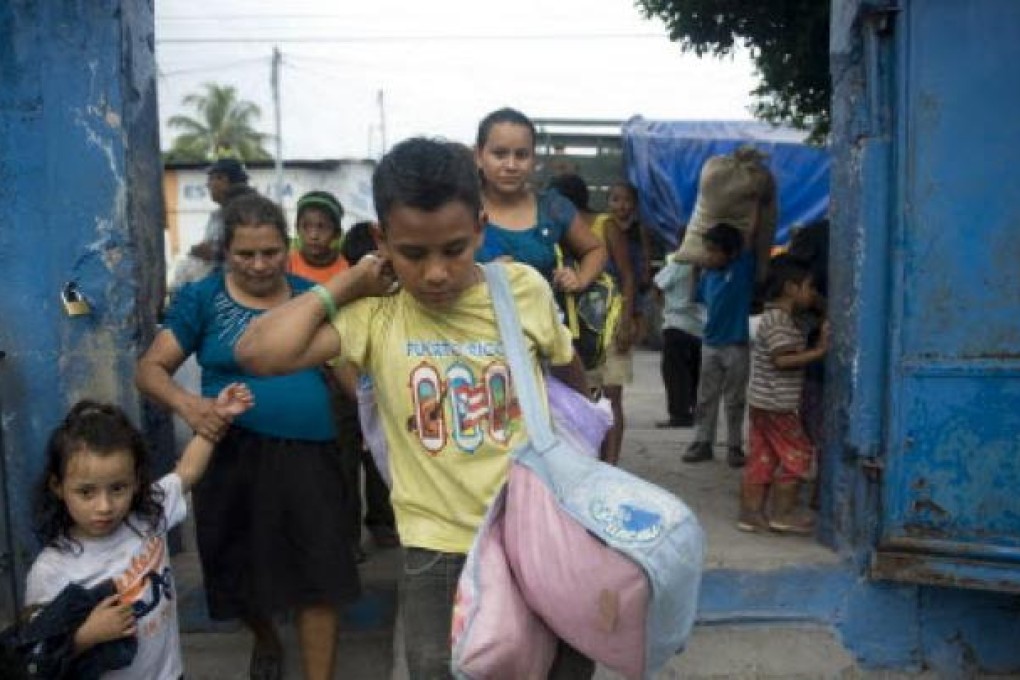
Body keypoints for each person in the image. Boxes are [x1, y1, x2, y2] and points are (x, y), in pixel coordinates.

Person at [234, 137, 595, 679]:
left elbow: (569, 370)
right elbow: (258, 352)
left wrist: (594, 448)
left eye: (453, 249)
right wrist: (350, 282)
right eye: (412, 253)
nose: (434, 274)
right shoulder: (376, 314)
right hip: (436, 548)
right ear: (382, 240)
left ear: (479, 226)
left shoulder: (522, 290)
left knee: (561, 668)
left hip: (535, 530)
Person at [136, 193, 361, 680]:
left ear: (288, 247)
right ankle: (266, 638)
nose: (259, 265)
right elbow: (151, 369)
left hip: (311, 455)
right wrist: (191, 406)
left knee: (319, 575)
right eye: (245, 254)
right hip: (232, 457)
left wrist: (376, 415)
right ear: (225, 253)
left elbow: (349, 372)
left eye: (271, 252)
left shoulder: (309, 298)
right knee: (238, 572)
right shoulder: (203, 299)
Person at [25, 383, 253, 679]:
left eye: (118, 488)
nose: (105, 506)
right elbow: (36, 655)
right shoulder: (51, 569)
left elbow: (187, 471)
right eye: (86, 492)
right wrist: (85, 636)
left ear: (136, 481)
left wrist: (220, 416)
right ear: (58, 487)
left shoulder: (147, 516)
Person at [548, 173, 635, 465]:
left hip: (609, 324)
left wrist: (627, 320)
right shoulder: (555, 231)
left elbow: (628, 275)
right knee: (583, 396)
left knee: (610, 398)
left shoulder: (604, 226)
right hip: (577, 328)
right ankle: (588, 462)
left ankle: (610, 466)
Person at [738, 255, 828, 534]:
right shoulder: (779, 322)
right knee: (798, 454)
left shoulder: (774, 317)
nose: (812, 294)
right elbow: (782, 360)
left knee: (762, 457)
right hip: (778, 404)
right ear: (791, 288)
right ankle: (783, 513)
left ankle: (751, 514)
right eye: (809, 287)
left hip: (761, 403)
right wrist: (819, 351)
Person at [474, 107, 606, 294]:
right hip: (473, 322)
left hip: (545, 321)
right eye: (500, 154)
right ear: (479, 156)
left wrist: (579, 279)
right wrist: (482, 276)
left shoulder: (553, 208)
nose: (511, 165)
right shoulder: (459, 211)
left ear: (533, 159)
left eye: (521, 155)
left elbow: (595, 249)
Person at [335, 221, 400, 551]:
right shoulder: (348, 305)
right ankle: (348, 538)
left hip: (389, 401)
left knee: (381, 468)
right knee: (346, 471)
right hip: (355, 400)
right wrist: (363, 405)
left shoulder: (399, 300)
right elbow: (342, 364)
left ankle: (384, 522)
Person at [682, 222, 755, 468]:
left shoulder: (741, 269)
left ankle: (734, 446)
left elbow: (749, 235)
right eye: (707, 250)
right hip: (711, 344)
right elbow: (696, 298)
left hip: (736, 345)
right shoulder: (708, 276)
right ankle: (703, 442)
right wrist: (693, 268)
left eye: (714, 250)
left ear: (731, 253)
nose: (708, 256)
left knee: (735, 399)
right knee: (706, 397)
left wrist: (753, 208)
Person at [169, 159, 256, 293]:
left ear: (224, 180)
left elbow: (250, 248)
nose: (208, 185)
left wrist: (215, 253)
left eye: (212, 179)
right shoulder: (218, 214)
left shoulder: (247, 210)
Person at [653, 251, 705, 428]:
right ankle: (697, 410)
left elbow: (659, 284)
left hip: (677, 324)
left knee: (675, 374)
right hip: (701, 327)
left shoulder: (678, 263)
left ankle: (680, 414)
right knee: (696, 373)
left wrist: (663, 306)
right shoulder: (711, 263)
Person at [289, 190, 349, 283]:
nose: (313, 236)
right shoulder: (287, 265)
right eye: (306, 227)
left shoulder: (346, 271)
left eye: (322, 227)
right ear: (297, 228)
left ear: (337, 234)